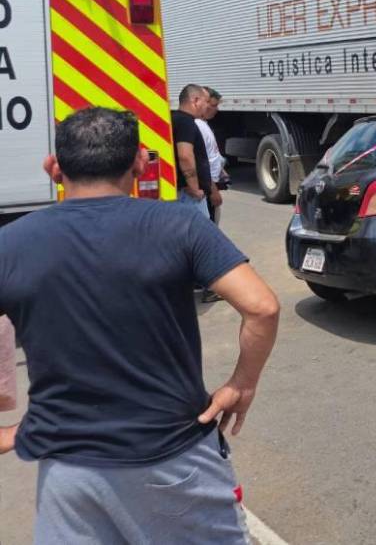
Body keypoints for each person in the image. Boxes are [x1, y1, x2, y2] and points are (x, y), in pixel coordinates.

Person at [0, 107, 280, 543]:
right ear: (139, 164)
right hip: (173, 459)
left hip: (66, 473)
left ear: (54, 168)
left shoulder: (9, 243)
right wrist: (242, 384)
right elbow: (262, 307)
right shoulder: (179, 224)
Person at [173, 84, 213, 219]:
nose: (207, 106)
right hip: (190, 197)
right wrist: (195, 189)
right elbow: (185, 156)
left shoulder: (175, 118)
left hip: (183, 192)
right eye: (206, 101)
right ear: (195, 101)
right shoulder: (186, 122)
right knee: (201, 237)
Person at [196, 87, 227, 225]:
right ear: (203, 103)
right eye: (213, 105)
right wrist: (213, 191)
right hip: (207, 190)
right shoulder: (199, 126)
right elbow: (203, 163)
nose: (217, 109)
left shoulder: (203, 125)